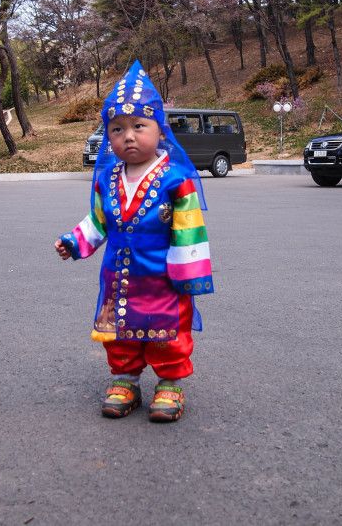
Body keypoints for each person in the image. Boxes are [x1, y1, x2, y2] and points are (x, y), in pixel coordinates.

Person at [55, 61, 213, 423]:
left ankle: (170, 382)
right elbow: (98, 220)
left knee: (166, 331)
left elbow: (190, 228)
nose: (128, 136)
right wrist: (74, 241)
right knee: (118, 329)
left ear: (160, 130)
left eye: (138, 126)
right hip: (118, 276)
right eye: (117, 129)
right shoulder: (106, 180)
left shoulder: (176, 179)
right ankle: (125, 379)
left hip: (163, 276)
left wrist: (188, 274)